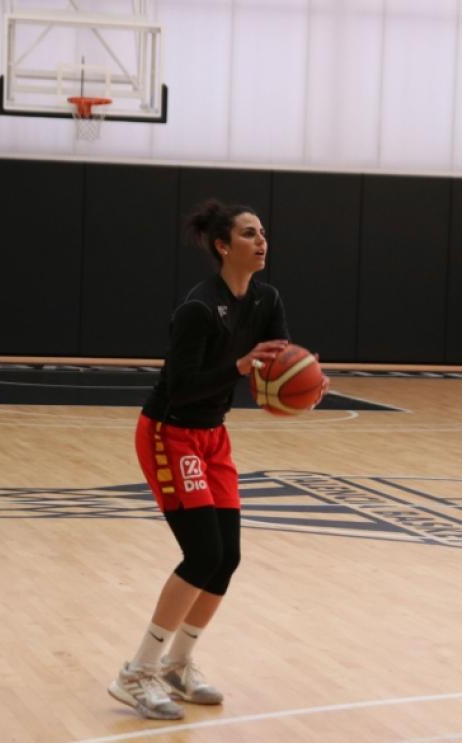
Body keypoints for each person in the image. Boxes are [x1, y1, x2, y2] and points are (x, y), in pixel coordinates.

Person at [107, 200, 327, 720]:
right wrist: (239, 366)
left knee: (227, 557)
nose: (261, 240)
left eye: (263, 232)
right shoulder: (199, 309)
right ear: (223, 246)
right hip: (169, 432)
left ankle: (177, 664)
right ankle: (136, 672)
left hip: (212, 435)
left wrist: (308, 382)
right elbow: (181, 388)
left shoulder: (267, 299)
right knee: (203, 554)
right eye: (249, 234)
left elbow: (276, 366)